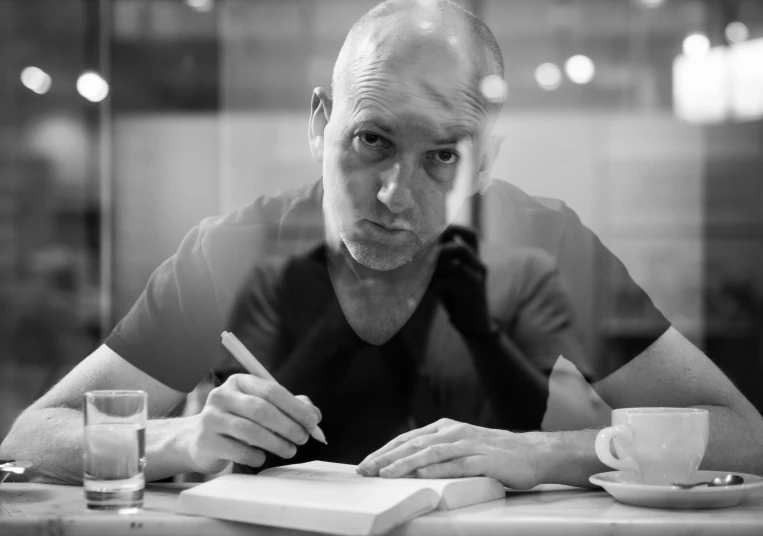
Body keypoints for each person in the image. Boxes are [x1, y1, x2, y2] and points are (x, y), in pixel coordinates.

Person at [3, 0, 763, 490]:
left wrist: (543, 454)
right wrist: (178, 439)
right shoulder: (231, 252)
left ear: (488, 159)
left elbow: (742, 436)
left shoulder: (542, 244)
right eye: (371, 139)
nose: (397, 195)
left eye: (443, 156)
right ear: (318, 123)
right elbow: (35, 433)